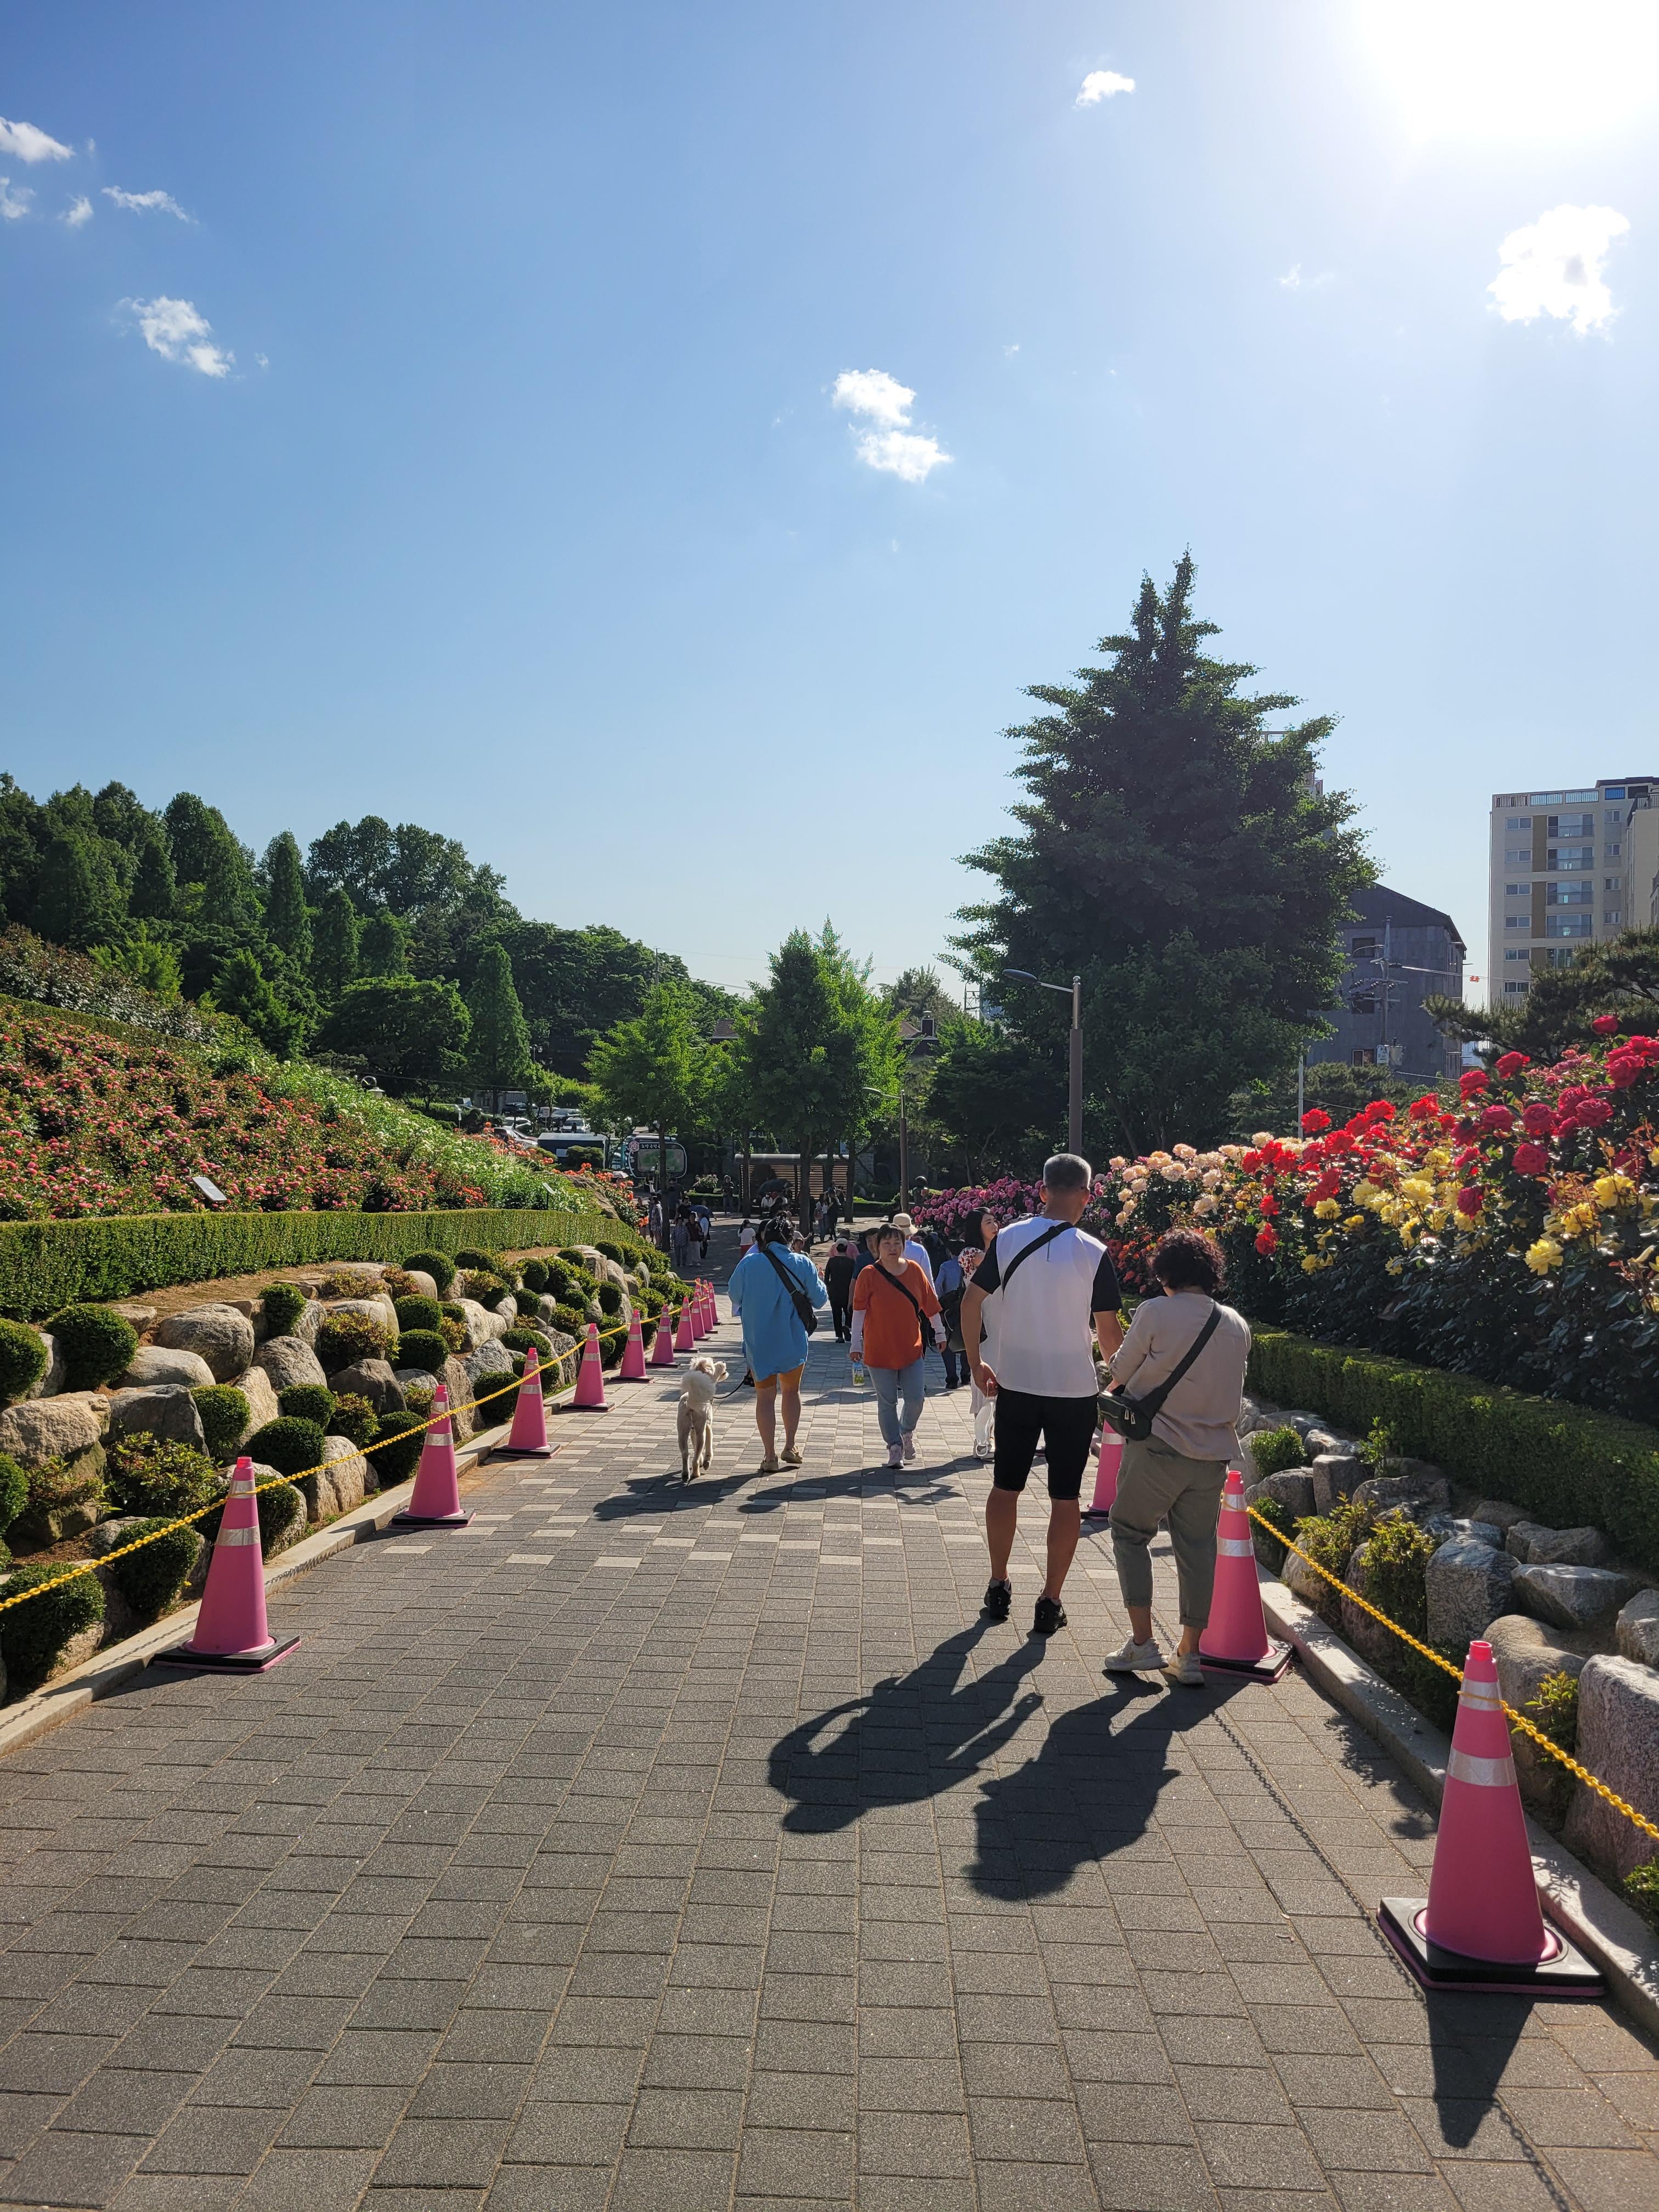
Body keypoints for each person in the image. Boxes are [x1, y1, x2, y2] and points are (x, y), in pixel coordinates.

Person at [959, 1153, 1124, 1638]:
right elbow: (1109, 1332)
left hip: (1016, 1382)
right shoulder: (1094, 1251)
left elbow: (971, 1301)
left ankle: (998, 1583)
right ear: (1088, 1196)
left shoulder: (1008, 1239)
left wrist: (976, 1363)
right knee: (1066, 1497)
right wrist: (1124, 1381)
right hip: (1074, 1390)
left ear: (1043, 1190)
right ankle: (1050, 1601)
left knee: (1005, 1486)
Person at [1104, 1228, 1251, 1687]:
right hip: (1213, 1457)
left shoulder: (1155, 1312)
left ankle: (1143, 1643)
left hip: (1159, 1446)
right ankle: (1189, 1654)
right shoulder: (1236, 1323)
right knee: (1198, 1549)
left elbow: (1119, 1370)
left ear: (1165, 1273)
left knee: (1130, 1532)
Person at [727, 1216, 828, 1471]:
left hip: (758, 1341)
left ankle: (769, 1455)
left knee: (765, 1397)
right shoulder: (802, 1263)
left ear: (764, 1238)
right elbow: (819, 1300)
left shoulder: (749, 1263)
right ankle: (790, 1446)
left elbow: (734, 1295)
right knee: (791, 1392)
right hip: (792, 1341)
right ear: (791, 1239)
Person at [851, 1222, 944, 1470]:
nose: (892, 1248)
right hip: (879, 1349)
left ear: (904, 1245)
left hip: (911, 1347)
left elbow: (930, 1303)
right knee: (887, 1402)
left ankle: (906, 1431)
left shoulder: (914, 1270)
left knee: (916, 1399)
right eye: (887, 1243)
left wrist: (940, 1332)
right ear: (877, 1247)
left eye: (897, 1243)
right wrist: (855, 1342)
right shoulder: (869, 1274)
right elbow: (859, 1311)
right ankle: (894, 1446)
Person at [934, 1245, 967, 1389]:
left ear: (949, 1251)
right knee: (968, 1339)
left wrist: (940, 1303)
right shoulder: (969, 1264)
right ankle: (966, 1374)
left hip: (949, 1308)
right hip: (967, 1305)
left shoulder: (946, 1266)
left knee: (947, 1340)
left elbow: (938, 1286)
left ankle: (952, 1378)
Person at [888, 1211, 936, 1288]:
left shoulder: (886, 1249)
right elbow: (928, 1278)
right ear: (910, 1232)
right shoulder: (919, 1250)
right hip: (914, 1291)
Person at [823, 1236, 858, 1341]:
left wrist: (829, 1287)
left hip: (835, 1292)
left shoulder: (831, 1261)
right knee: (849, 1312)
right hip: (848, 1291)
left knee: (836, 1314)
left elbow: (826, 1278)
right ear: (847, 1248)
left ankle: (839, 1336)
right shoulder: (851, 1262)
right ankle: (847, 1326)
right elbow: (855, 1277)